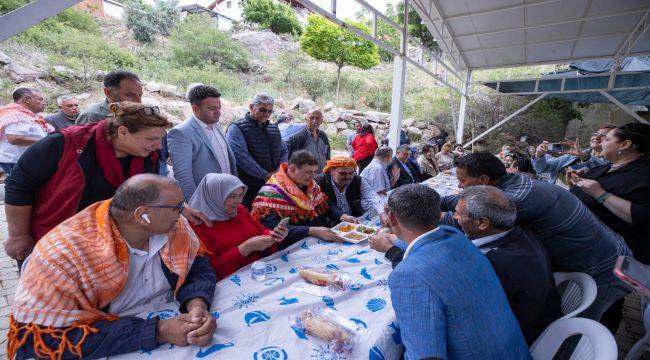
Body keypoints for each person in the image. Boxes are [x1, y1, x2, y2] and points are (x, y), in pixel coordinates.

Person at [7, 175, 217, 359]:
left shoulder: (175, 227)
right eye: (177, 208)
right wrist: (157, 331)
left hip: (165, 324)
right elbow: (40, 341)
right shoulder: (63, 255)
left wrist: (196, 304)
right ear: (142, 215)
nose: (182, 213)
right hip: (108, 341)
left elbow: (197, 268)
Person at [3, 102, 208, 266]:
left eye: (160, 140)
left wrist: (181, 208)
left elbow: (152, 191)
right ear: (123, 132)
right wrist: (19, 235)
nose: (157, 146)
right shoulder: (66, 143)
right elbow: (18, 185)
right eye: (151, 139)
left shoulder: (147, 156)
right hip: (55, 239)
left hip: (106, 245)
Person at [445, 153, 631, 322]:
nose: (459, 186)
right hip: (598, 254)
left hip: (604, 267)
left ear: (483, 179)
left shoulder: (517, 199)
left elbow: (466, 214)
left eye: (461, 180)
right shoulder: (516, 182)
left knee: (577, 331)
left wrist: (430, 208)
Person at [386, 184, 530, 359]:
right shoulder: (453, 234)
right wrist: (393, 242)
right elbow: (427, 243)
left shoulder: (408, 275)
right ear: (438, 214)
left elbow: (424, 355)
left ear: (391, 218)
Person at [453, 186, 563, 345]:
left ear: (482, 223)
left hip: (520, 338)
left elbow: (466, 308)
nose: (455, 217)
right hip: (542, 319)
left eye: (458, 214)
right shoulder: (521, 232)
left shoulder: (494, 262)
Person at [569, 122, 650, 332]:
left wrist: (601, 194)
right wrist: (576, 183)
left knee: (601, 310)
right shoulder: (604, 167)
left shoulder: (644, 174)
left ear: (625, 144)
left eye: (606, 139)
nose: (600, 142)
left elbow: (644, 218)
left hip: (609, 258)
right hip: (580, 250)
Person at [188, 173, 288, 279]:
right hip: (230, 282)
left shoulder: (239, 210)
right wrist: (244, 248)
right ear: (214, 195)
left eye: (241, 195)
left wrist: (273, 235)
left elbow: (260, 230)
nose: (239, 201)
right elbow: (209, 268)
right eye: (231, 196)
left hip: (258, 271)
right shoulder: (197, 224)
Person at [252, 150, 344, 248]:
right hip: (292, 246)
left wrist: (341, 215)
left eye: (315, 171)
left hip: (318, 239)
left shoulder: (310, 184)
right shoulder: (271, 193)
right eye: (308, 172)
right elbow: (273, 227)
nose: (313, 176)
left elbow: (324, 203)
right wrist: (311, 231)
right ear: (292, 169)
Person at [168, 85, 237, 201]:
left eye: (219, 108)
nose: (218, 113)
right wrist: (197, 205)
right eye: (212, 108)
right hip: (205, 201)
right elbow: (183, 177)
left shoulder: (216, 126)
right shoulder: (181, 133)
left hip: (227, 196)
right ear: (195, 109)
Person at [226, 93, 288, 209]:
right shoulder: (236, 127)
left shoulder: (273, 128)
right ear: (251, 107)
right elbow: (241, 157)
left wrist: (279, 171)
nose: (266, 114)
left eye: (270, 111)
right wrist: (264, 175)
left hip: (272, 184)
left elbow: (284, 150)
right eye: (262, 110)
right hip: (248, 186)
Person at [532, 125, 615, 185]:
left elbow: (603, 170)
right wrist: (539, 155)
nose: (596, 137)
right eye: (596, 134)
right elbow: (543, 168)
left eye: (604, 135)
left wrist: (585, 156)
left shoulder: (612, 163)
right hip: (554, 194)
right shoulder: (573, 154)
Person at [315, 156, 384, 223]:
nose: (348, 177)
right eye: (343, 174)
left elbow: (371, 195)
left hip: (354, 220)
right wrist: (341, 216)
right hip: (328, 222)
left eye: (351, 173)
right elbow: (324, 203)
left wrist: (382, 212)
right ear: (331, 171)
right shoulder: (320, 181)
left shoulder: (358, 180)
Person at [0, 88, 52, 174]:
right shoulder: (15, 114)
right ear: (27, 99)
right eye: (40, 99)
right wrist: (47, 141)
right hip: (17, 161)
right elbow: (14, 138)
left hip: (24, 159)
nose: (44, 103)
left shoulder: (26, 114)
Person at [76, 70, 143, 125]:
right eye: (130, 95)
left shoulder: (138, 112)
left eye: (140, 95)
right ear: (108, 92)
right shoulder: (92, 116)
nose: (139, 101)